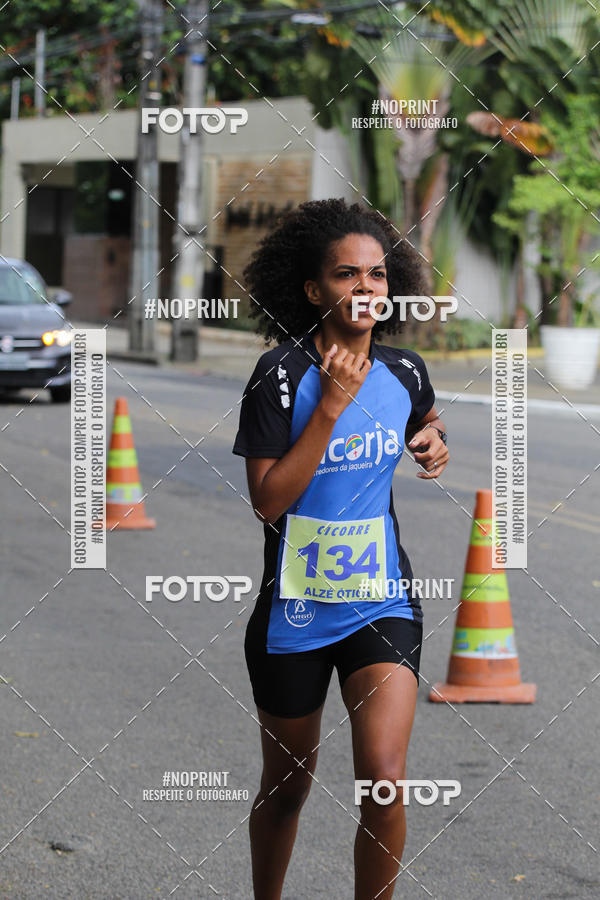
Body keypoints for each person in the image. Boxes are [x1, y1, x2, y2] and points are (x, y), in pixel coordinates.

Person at [232, 198, 449, 900]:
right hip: (293, 613)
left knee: (384, 779)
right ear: (313, 290)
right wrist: (329, 407)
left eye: (378, 276)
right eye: (346, 275)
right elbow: (269, 501)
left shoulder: (406, 371)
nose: (365, 289)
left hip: (380, 602)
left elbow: (422, 416)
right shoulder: (281, 377)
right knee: (288, 785)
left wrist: (433, 440)